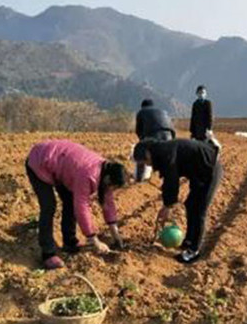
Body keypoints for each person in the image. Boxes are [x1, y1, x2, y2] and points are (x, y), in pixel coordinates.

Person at [26, 140, 126, 269]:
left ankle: (70, 243)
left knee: (69, 201)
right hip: (40, 161)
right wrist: (93, 239)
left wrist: (115, 233)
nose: (112, 190)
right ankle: (48, 253)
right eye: (113, 186)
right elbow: (81, 206)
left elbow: (108, 201)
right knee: (49, 206)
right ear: (108, 180)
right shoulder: (88, 175)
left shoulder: (106, 171)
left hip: (62, 165)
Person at [133, 138, 223, 263]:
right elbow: (168, 179)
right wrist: (166, 204)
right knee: (190, 204)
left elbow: (172, 179)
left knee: (199, 210)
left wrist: (167, 207)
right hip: (198, 173)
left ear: (147, 153)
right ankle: (188, 241)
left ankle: (194, 251)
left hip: (210, 169)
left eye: (146, 161)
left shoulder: (165, 152)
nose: (148, 165)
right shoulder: (161, 151)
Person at [134, 99, 176, 182]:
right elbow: (172, 128)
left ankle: (139, 178)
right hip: (169, 136)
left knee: (141, 152)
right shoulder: (163, 111)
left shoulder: (141, 112)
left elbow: (138, 130)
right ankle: (168, 179)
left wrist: (142, 142)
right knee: (166, 159)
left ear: (143, 106)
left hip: (154, 135)